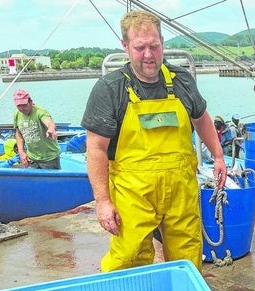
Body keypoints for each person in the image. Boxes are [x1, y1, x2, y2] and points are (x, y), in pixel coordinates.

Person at [81, 10, 227, 273]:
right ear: (125, 46)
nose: (148, 54)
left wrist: (218, 155)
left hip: (181, 188)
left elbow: (201, 118)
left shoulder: (181, 80)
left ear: (162, 42)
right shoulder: (109, 89)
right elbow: (96, 149)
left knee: (187, 257)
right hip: (133, 193)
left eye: (154, 46)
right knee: (128, 257)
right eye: (139, 48)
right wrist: (103, 201)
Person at [13, 89, 61, 169]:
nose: (22, 109)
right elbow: (19, 133)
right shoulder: (17, 114)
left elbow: (48, 121)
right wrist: (21, 152)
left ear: (31, 102)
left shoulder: (40, 112)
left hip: (49, 158)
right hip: (32, 158)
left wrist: (51, 128)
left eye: (24, 105)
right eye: (19, 106)